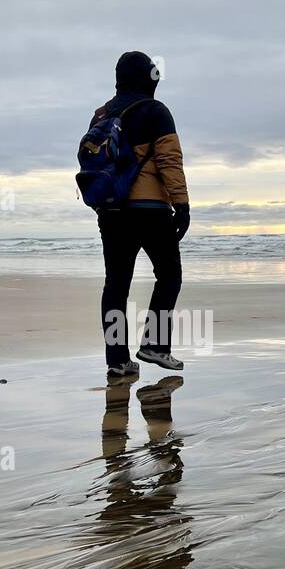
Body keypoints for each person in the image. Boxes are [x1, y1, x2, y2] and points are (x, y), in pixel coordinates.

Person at [91, 51, 190, 377]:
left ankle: (117, 360)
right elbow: (168, 160)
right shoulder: (155, 111)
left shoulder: (101, 114)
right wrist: (182, 204)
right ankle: (155, 346)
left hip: (112, 209)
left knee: (116, 286)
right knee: (169, 276)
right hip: (149, 209)